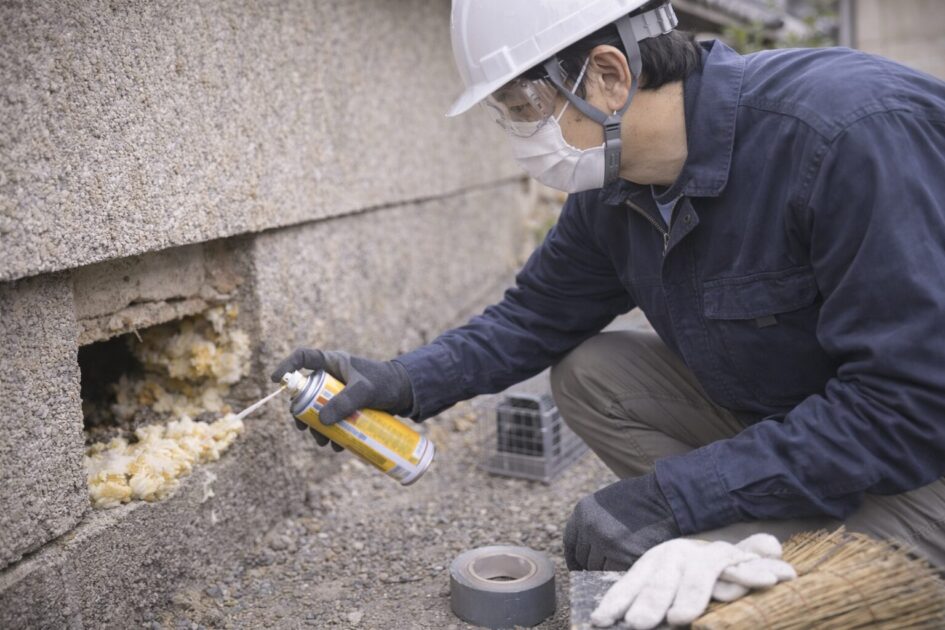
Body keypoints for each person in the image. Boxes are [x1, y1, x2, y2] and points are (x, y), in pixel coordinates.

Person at [272, 0, 945, 625]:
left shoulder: (849, 136)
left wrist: (674, 497)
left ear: (606, 74)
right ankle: (776, 524)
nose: (517, 134)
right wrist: (403, 383)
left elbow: (906, 406)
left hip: (923, 448)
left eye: (523, 106)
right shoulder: (617, 186)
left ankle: (860, 551)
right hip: (814, 415)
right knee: (593, 371)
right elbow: (533, 316)